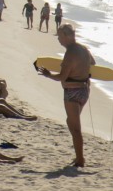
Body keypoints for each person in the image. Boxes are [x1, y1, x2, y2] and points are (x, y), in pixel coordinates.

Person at [37, 24, 94, 167]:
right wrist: (81, 68)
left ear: (67, 36)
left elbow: (62, 77)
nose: (58, 39)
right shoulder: (83, 49)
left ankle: (80, 159)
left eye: (60, 36)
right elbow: (92, 63)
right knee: (70, 122)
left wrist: (48, 75)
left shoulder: (70, 53)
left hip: (72, 93)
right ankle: (78, 156)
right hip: (84, 91)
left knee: (75, 128)